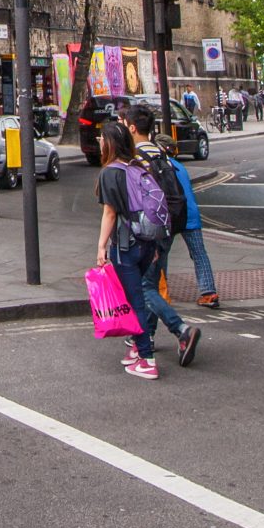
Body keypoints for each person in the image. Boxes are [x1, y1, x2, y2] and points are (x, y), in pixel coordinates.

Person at [94, 118, 200, 380]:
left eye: (101, 139)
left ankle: (147, 359)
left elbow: (110, 213)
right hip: (147, 241)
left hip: (126, 244)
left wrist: (101, 246)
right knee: (141, 294)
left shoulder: (110, 172)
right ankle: (139, 351)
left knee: (136, 301)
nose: (99, 142)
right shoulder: (136, 166)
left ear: (109, 143)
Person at [132, 106, 217, 309]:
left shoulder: (158, 165)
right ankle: (209, 292)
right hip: (190, 214)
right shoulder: (177, 165)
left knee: (160, 256)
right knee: (199, 254)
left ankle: (161, 293)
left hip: (171, 215)